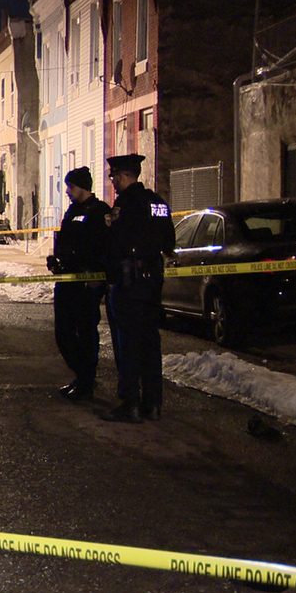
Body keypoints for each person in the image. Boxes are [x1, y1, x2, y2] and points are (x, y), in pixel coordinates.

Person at [102, 154, 176, 423]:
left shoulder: (125, 204)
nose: (113, 182)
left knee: (129, 343)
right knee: (150, 342)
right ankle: (153, 404)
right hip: (152, 280)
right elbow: (169, 241)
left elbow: (114, 243)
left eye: (113, 177)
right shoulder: (157, 202)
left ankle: (130, 402)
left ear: (123, 175)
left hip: (129, 281)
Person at [47, 167, 110, 401]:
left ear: (82, 187)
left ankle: (86, 379)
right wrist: (57, 261)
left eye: (71, 186)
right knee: (63, 332)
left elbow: (103, 247)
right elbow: (66, 241)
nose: (67, 191)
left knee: (85, 332)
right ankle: (80, 374)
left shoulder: (99, 211)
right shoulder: (73, 210)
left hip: (85, 284)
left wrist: (96, 276)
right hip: (67, 280)